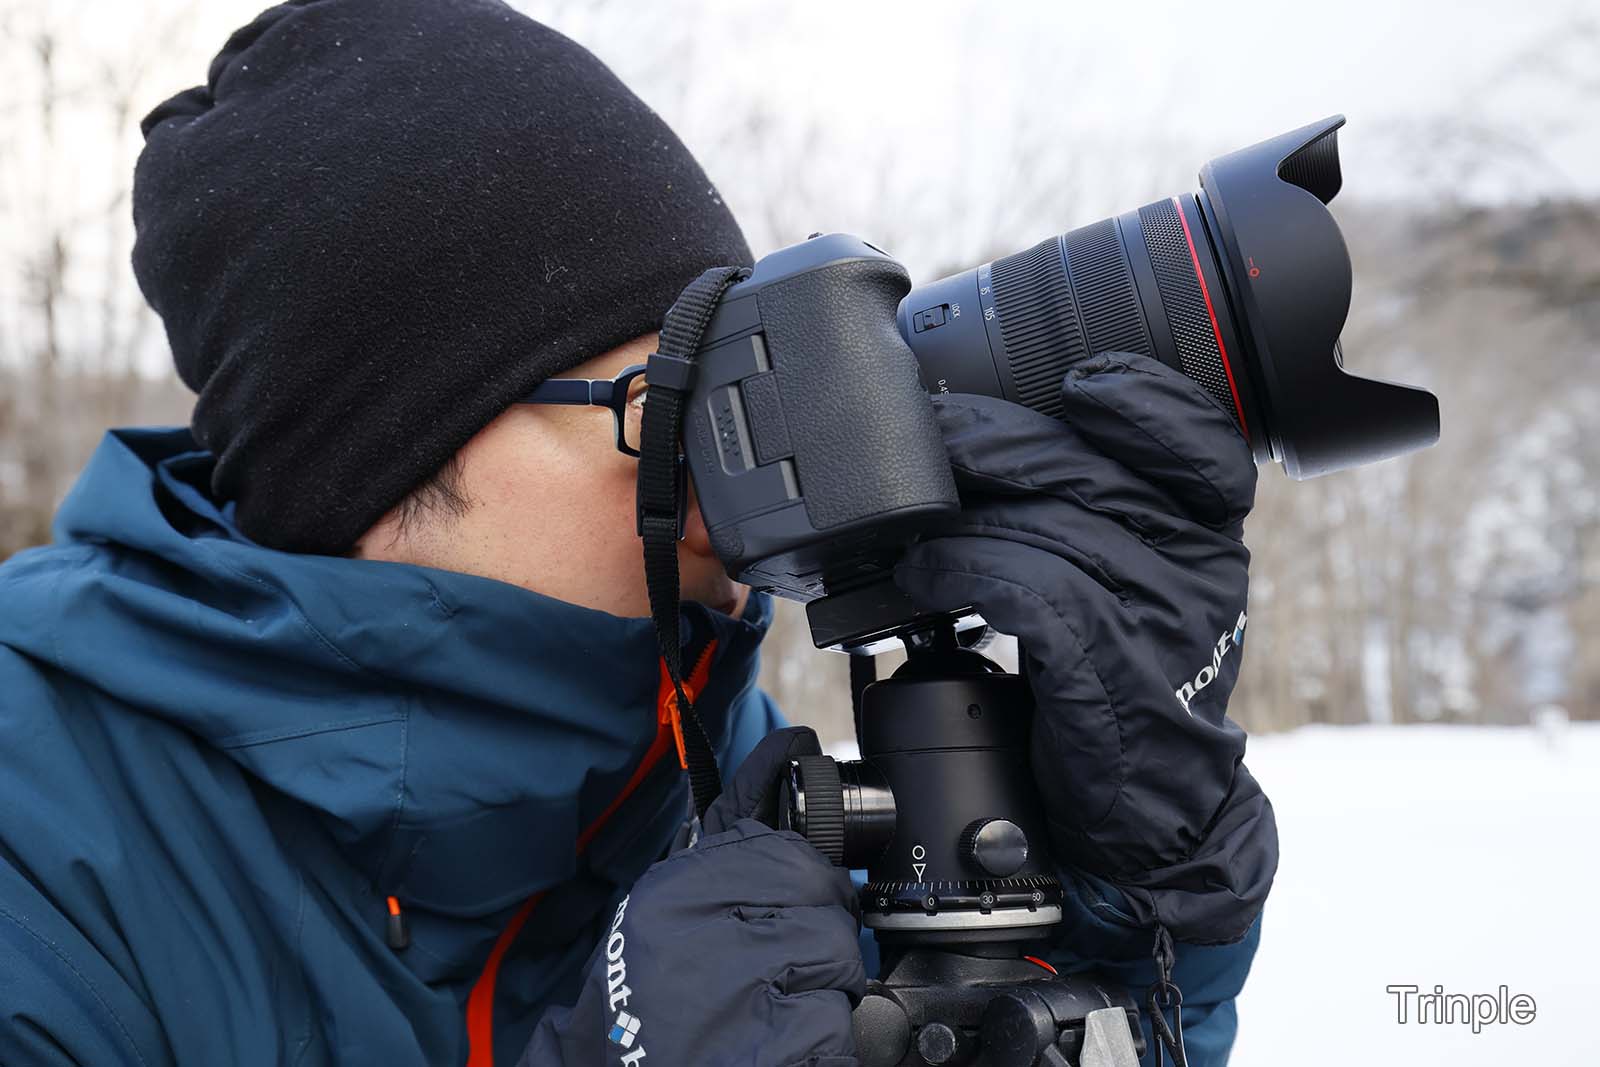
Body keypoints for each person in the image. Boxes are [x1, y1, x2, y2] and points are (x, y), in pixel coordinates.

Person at [0, 1, 1276, 1065]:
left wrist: (1136, 900)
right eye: (663, 412)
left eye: (742, 388)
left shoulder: (715, 768)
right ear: (379, 465)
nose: (735, 493)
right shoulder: (41, 842)